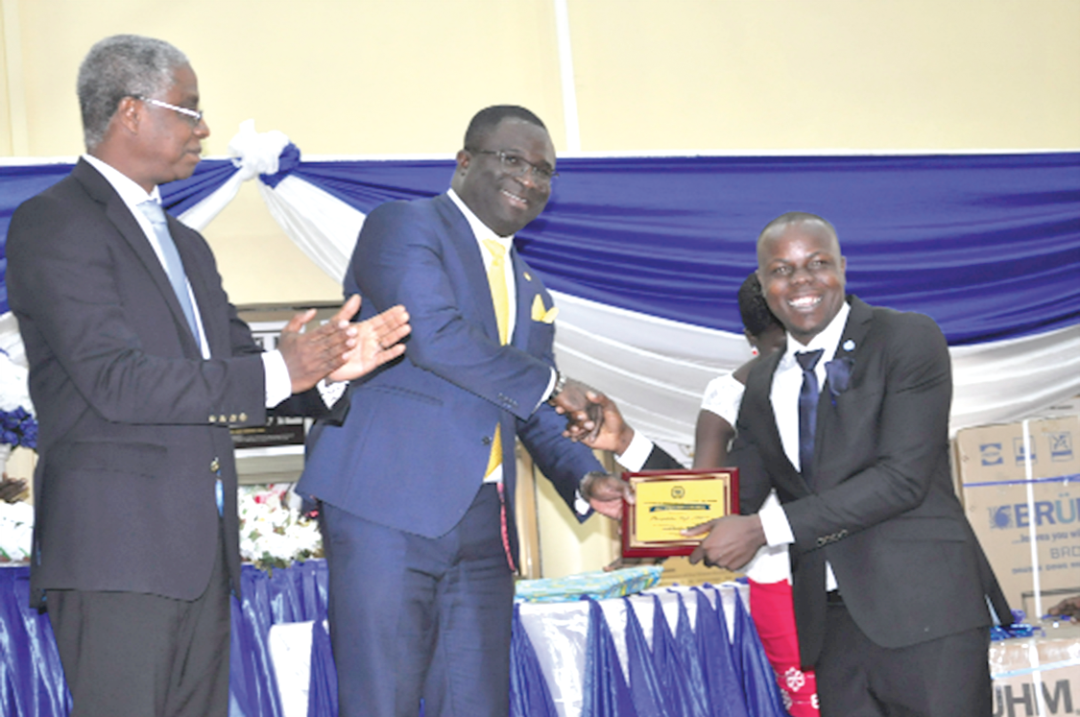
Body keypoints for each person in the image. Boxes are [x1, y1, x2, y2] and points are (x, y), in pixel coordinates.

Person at [5, 35, 410, 717]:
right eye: (189, 109)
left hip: (201, 556)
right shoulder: (55, 223)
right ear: (131, 112)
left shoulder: (186, 245)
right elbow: (117, 382)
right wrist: (279, 368)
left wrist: (330, 365)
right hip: (117, 557)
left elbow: (239, 373)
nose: (206, 128)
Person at [577, 212, 1010, 716]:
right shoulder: (761, 384)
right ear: (764, 284)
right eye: (782, 269)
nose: (801, 280)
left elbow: (901, 479)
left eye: (818, 263)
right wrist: (626, 442)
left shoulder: (907, 339)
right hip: (830, 624)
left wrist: (762, 529)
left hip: (926, 613)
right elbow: (725, 496)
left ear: (843, 269)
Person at [296, 105, 625, 717]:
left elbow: (526, 405)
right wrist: (555, 381)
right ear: (465, 160)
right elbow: (437, 337)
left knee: (478, 704)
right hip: (385, 509)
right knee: (380, 702)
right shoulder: (404, 226)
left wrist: (584, 474)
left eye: (545, 171)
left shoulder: (533, 289)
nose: (529, 178)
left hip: (482, 524)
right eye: (512, 159)